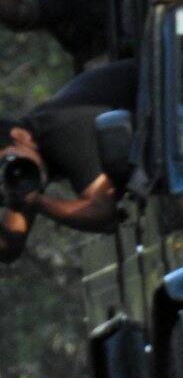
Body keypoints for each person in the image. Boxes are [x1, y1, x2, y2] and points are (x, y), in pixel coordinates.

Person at [0, 59, 136, 263]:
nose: (13, 171)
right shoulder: (32, 155)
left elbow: (104, 214)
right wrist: (17, 198)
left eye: (6, 161)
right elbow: (7, 249)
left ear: (21, 136)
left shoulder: (61, 131)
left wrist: (36, 201)